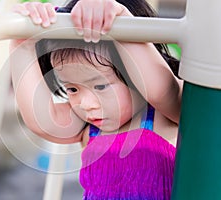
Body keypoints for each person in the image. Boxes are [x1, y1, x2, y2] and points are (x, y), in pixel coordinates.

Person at [11, 0, 183, 199]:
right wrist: (22, 46)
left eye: (100, 86)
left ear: (134, 72)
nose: (86, 104)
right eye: (72, 89)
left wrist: (123, 23)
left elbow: (161, 89)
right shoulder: (90, 128)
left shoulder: (168, 114)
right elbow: (41, 120)